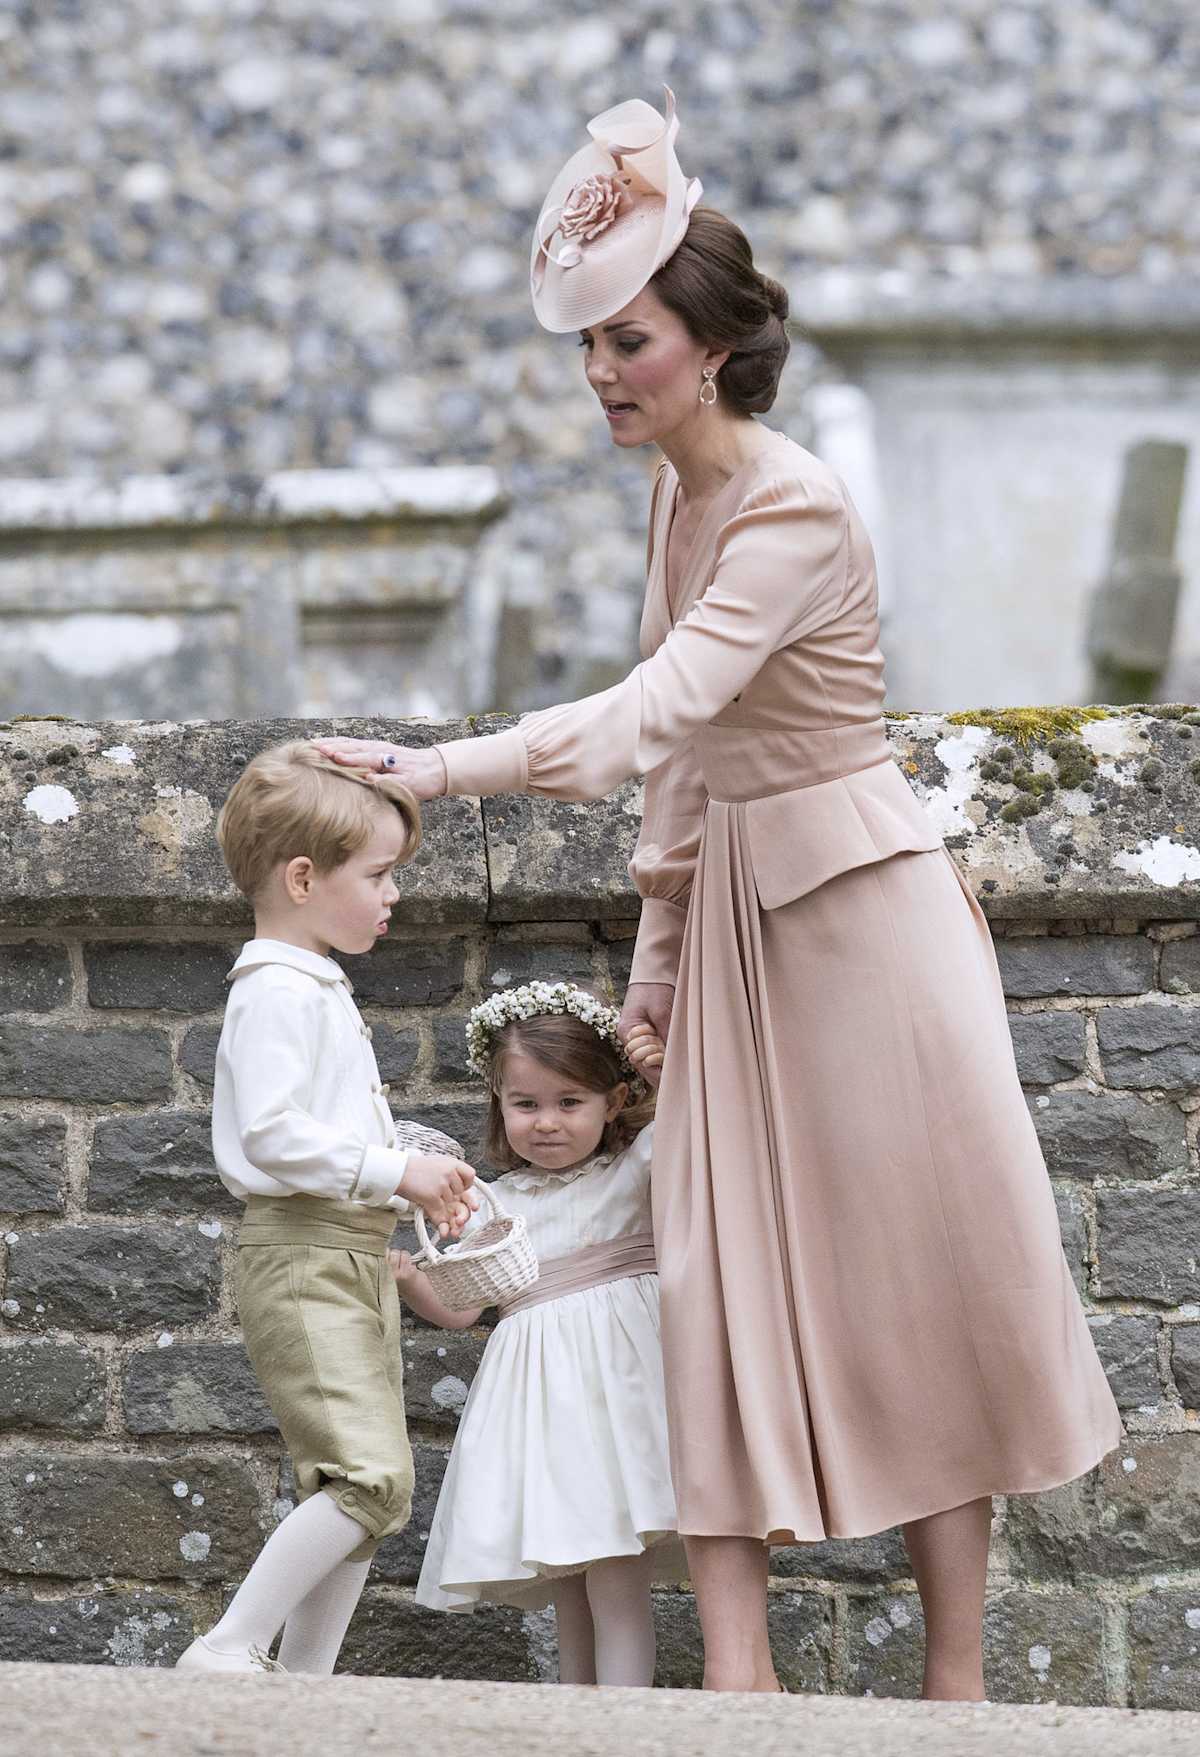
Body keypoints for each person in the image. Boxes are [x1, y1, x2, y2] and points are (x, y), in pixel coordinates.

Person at [316, 92, 1122, 1699]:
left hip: (865, 925)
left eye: (630, 344)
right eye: (591, 347)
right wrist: (658, 981)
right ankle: (738, 1689)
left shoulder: (794, 500)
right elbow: (685, 792)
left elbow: (648, 716)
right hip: (743, 930)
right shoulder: (680, 498)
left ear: (714, 347)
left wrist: (436, 767)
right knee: (715, 1288)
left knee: (919, 1285)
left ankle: (955, 1693)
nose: (605, 374)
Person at [175, 741, 478, 1676]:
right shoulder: (275, 991)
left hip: (342, 1251)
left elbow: (316, 1123)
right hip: (305, 1255)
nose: (394, 896)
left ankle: (307, 1680)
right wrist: (392, 1168)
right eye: (380, 875)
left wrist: (411, 1156)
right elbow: (268, 1135)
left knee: (367, 1488)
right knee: (367, 1479)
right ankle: (228, 1646)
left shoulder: (308, 982)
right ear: (303, 877)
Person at [392, 982, 681, 1687]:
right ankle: (577, 1717)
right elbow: (465, 1307)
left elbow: (694, 1117)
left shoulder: (633, 1171)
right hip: (547, 1418)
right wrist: (408, 1277)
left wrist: (661, 1073)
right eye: (525, 1104)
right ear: (500, 1105)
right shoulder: (499, 1199)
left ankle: (624, 1725)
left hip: (620, 1402)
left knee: (616, 1576)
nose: (546, 1122)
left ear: (613, 1102)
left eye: (569, 1102)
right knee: (571, 1586)